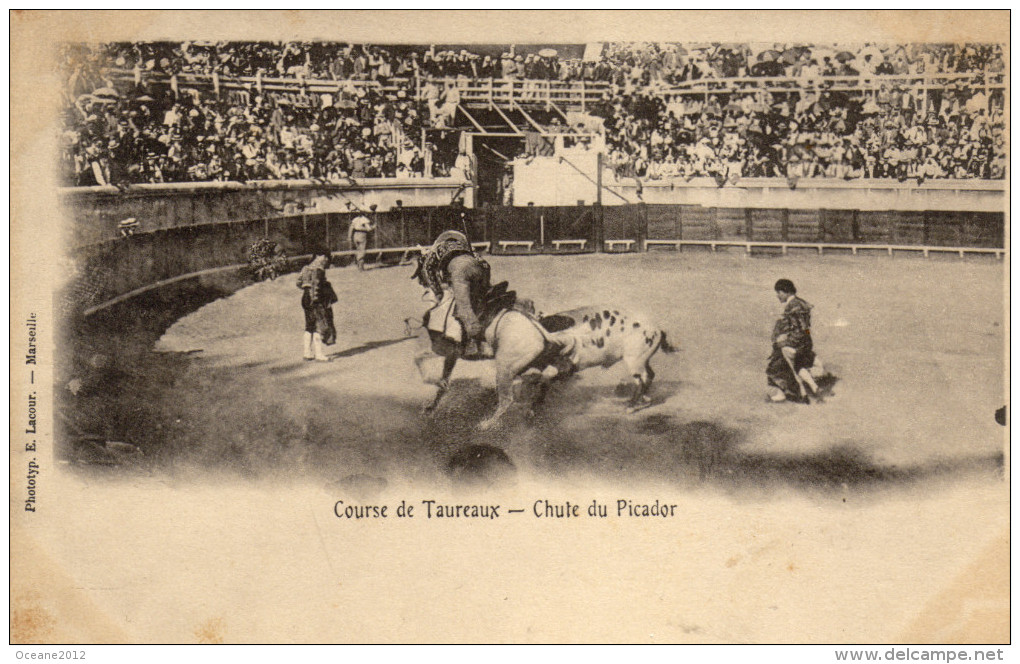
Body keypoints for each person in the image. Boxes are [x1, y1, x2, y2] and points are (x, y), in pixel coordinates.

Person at [414, 230, 494, 358]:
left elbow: (427, 270)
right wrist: (485, 284)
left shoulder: (437, 249)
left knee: (464, 309)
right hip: (479, 268)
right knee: (480, 301)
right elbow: (485, 264)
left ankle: (476, 343)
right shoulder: (466, 246)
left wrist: (438, 292)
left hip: (459, 273)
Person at [766, 278, 820, 403]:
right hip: (806, 343)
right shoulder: (801, 302)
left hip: (797, 345)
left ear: (786, 292)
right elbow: (806, 329)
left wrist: (784, 342)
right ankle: (813, 387)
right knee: (798, 365)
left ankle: (797, 393)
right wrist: (806, 339)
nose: (778, 296)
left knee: (776, 365)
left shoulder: (792, 306)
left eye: (779, 292)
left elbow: (799, 330)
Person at [297, 250, 338, 362]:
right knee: (319, 325)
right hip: (315, 299)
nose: (325, 260)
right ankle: (319, 354)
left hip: (305, 297)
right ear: (320, 256)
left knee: (309, 325)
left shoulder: (306, 267)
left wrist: (306, 288)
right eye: (325, 257)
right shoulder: (319, 269)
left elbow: (298, 282)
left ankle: (307, 352)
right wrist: (317, 300)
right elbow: (316, 286)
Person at [347, 206, 376, 270]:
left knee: (358, 249)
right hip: (362, 234)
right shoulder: (364, 219)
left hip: (355, 235)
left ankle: (358, 264)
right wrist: (373, 227)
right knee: (362, 250)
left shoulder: (355, 219)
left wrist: (349, 237)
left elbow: (351, 228)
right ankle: (360, 265)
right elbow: (368, 229)